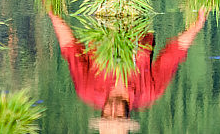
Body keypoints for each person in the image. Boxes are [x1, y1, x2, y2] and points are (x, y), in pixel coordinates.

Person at [47, 8, 208, 134]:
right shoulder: (147, 93)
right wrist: (197, 25)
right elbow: (172, 54)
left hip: (102, 20)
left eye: (107, 115)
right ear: (127, 116)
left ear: (101, 115)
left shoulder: (87, 90)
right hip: (135, 18)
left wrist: (53, 14)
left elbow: (70, 48)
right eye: (118, 116)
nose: (113, 109)